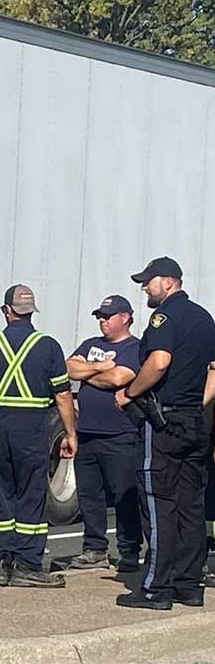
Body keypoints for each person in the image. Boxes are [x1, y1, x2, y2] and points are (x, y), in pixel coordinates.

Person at [115, 257, 215, 609]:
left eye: (149, 281)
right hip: (193, 421)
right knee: (191, 506)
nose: (144, 287)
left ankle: (157, 588)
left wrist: (130, 393)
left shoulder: (164, 317)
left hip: (164, 424)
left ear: (169, 282)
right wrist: (195, 403)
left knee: (159, 504)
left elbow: (158, 362)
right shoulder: (205, 318)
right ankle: (189, 586)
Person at [0, 284, 77, 588]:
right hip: (32, 429)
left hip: (1, 427)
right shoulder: (48, 346)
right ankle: (28, 565)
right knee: (31, 496)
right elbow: (62, 396)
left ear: (6, 311)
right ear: (31, 312)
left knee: (0, 494)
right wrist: (69, 433)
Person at [66, 295, 142, 572]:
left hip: (119, 435)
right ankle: (94, 548)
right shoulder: (91, 345)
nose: (102, 321)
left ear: (125, 317)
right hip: (86, 432)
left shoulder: (135, 347)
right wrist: (99, 367)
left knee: (123, 495)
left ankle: (130, 550)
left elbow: (120, 378)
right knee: (89, 495)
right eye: (99, 316)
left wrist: (88, 373)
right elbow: (68, 368)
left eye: (108, 316)